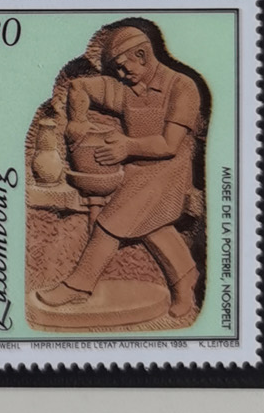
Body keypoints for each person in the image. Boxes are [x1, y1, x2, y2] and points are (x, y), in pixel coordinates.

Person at [33, 22, 203, 325]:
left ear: (143, 55)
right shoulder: (127, 89)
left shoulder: (182, 87)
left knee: (110, 223)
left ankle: (78, 285)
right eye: (117, 71)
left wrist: (126, 147)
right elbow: (80, 87)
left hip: (169, 173)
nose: (121, 76)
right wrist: (78, 121)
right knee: (151, 225)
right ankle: (185, 276)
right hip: (139, 173)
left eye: (124, 67)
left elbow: (170, 144)